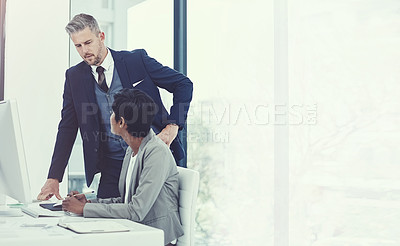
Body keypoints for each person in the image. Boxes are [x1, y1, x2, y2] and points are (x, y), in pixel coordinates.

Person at [37, 13, 193, 200]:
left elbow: (183, 84)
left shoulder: (136, 61)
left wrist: (172, 126)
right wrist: (54, 177)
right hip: (111, 166)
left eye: (88, 42)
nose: (84, 50)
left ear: (101, 37)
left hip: (150, 159)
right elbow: (67, 127)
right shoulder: (74, 77)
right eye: (78, 46)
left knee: (147, 219)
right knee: (104, 222)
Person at [62, 89, 184, 246]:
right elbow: (125, 201)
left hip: (157, 237)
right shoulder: (132, 150)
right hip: (136, 230)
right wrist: (90, 203)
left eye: (113, 113)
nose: (110, 117)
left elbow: (136, 211)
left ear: (121, 122)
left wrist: (84, 209)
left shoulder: (157, 152)